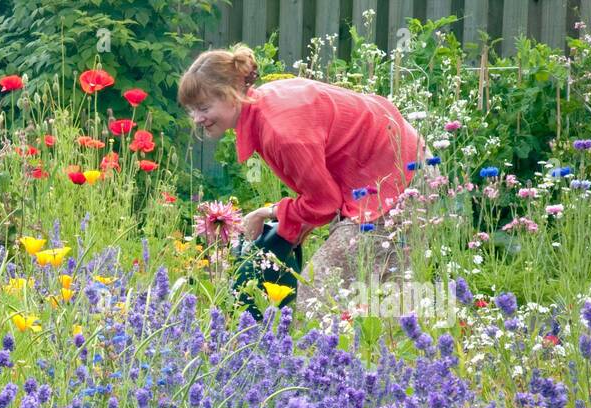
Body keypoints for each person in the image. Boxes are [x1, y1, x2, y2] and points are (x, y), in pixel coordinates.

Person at [178, 44, 425, 315]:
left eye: (203, 107)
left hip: (399, 180)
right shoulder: (265, 104)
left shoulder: (280, 131)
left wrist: (273, 214)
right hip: (398, 169)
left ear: (231, 95)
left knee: (316, 298)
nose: (197, 119)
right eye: (192, 110)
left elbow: (324, 203)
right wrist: (281, 219)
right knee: (388, 307)